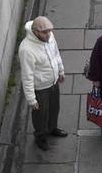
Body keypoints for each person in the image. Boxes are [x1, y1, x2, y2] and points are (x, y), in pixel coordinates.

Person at [18, 16, 67, 151]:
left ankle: (52, 128)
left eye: (49, 31)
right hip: (40, 88)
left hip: (53, 82)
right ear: (36, 32)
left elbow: (56, 54)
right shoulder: (26, 50)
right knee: (40, 115)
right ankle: (40, 137)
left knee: (54, 108)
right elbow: (27, 76)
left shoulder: (49, 37)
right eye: (45, 32)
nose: (48, 34)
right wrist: (31, 99)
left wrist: (61, 71)